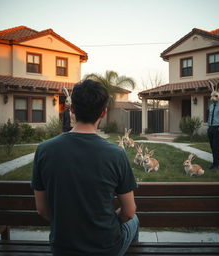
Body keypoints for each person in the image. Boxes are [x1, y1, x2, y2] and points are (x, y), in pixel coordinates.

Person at [31, 79, 139, 256]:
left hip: (62, 247)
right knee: (135, 220)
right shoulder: (116, 154)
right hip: (106, 248)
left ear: (72, 109)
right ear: (103, 113)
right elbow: (129, 211)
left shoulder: (44, 150)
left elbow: (42, 210)